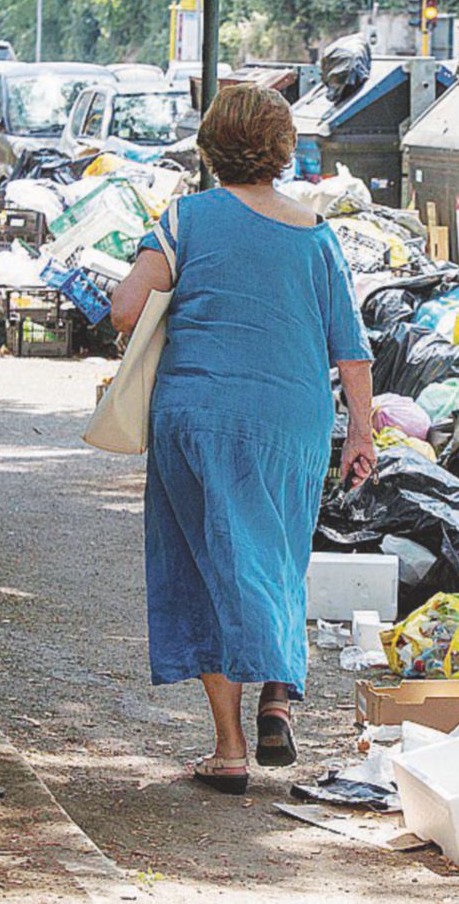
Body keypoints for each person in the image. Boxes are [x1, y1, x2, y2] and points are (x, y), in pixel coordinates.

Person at [111, 83, 375, 794]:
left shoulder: (186, 219)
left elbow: (126, 307)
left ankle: (228, 750)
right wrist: (361, 431)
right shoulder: (316, 234)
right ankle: (280, 695)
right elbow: (351, 348)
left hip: (196, 414)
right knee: (276, 558)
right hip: (291, 421)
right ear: (285, 148)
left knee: (204, 564)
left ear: (211, 145)